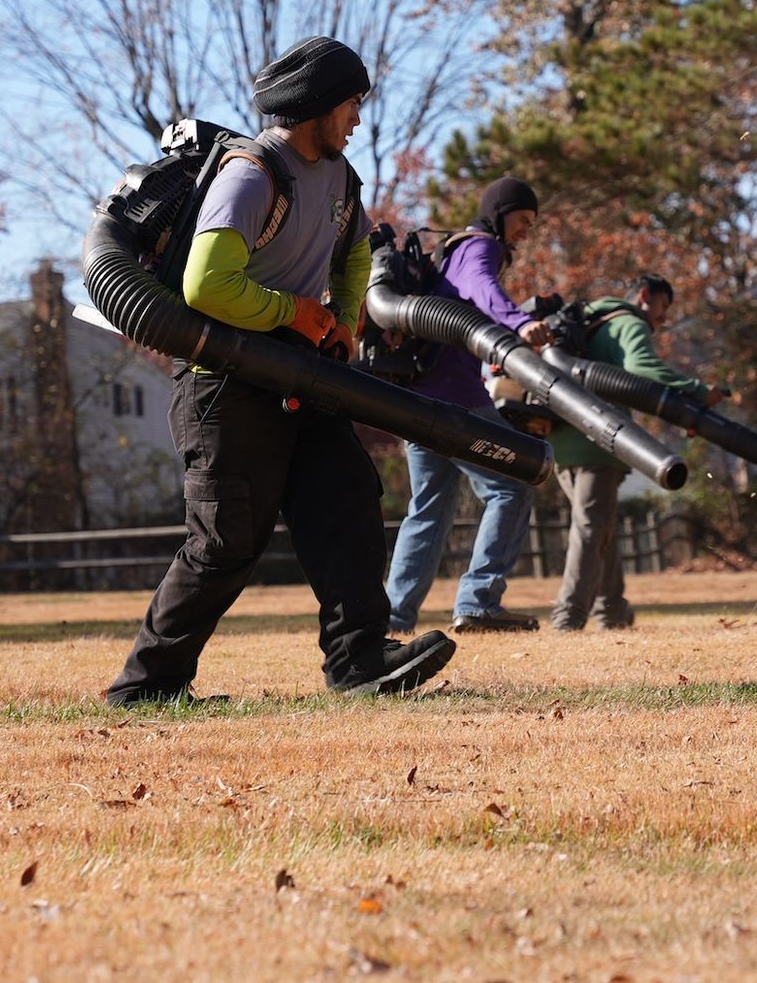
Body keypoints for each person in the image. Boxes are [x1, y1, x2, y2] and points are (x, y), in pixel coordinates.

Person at [106, 36, 456, 704]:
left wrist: (347, 321)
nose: (358, 118)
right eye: (352, 104)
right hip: (224, 383)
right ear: (319, 105)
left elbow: (355, 256)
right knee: (226, 540)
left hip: (300, 375)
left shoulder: (340, 178)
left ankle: (360, 664)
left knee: (347, 504)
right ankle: (146, 687)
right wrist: (293, 313)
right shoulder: (252, 173)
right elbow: (207, 286)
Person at [384, 177, 550, 633]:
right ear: (500, 213)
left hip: (418, 399)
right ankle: (479, 601)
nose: (525, 230)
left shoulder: (450, 251)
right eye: (522, 219)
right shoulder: (480, 248)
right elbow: (481, 287)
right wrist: (520, 322)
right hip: (456, 401)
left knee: (428, 509)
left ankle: (394, 618)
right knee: (513, 486)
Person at [547, 273, 722, 631]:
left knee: (600, 526)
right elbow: (642, 369)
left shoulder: (590, 320)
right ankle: (568, 616)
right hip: (601, 437)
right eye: (662, 306)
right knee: (593, 527)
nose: (663, 318)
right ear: (644, 296)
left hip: (560, 436)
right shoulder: (629, 322)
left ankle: (612, 609)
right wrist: (697, 391)